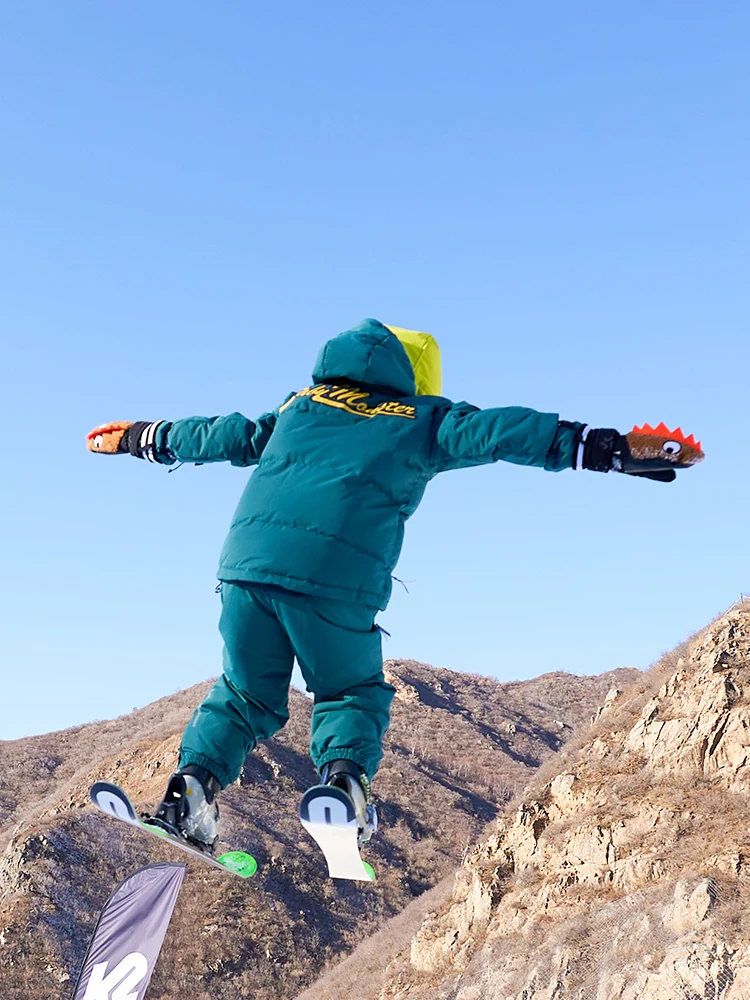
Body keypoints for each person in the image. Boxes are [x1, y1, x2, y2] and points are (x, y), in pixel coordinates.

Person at [86, 318, 701, 852]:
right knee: (350, 690)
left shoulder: (300, 410)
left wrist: (143, 436)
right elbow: (501, 431)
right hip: (337, 576)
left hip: (244, 567)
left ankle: (189, 793)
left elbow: (223, 435)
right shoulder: (421, 417)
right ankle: (344, 789)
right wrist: (602, 447)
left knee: (243, 695)